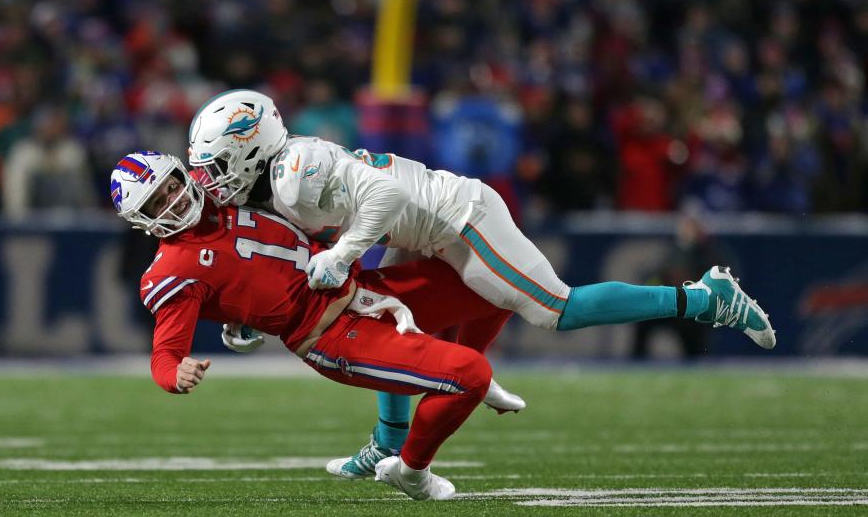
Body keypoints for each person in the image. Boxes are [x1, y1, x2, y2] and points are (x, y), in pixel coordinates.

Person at [111, 150, 774, 500]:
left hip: (368, 281)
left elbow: (262, 261)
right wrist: (180, 371)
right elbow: (168, 349)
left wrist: (251, 313)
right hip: (334, 329)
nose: (176, 197)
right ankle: (407, 466)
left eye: (173, 184)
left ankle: (384, 445)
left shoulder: (231, 188)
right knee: (500, 345)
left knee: (497, 299)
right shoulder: (171, 269)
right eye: (159, 201)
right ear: (145, 222)